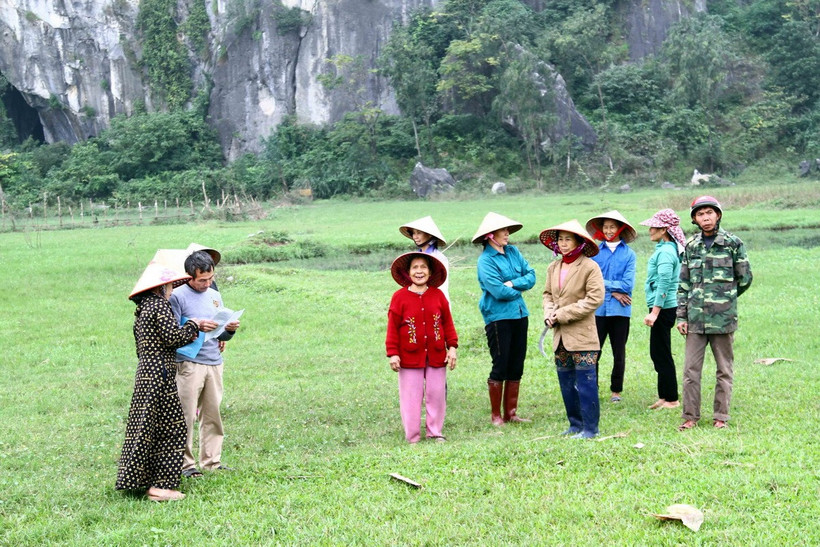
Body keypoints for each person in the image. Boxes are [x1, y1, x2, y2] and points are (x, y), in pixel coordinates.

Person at [116, 261, 205, 501]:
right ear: (161, 286)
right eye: (169, 285)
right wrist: (192, 325)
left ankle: (141, 480)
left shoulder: (144, 307)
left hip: (146, 372)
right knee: (172, 427)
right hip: (161, 373)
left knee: (146, 426)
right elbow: (172, 338)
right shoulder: (158, 305)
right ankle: (161, 487)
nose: (172, 289)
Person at [677, 196, 753, 431]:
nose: (706, 217)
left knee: (724, 369)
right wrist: (681, 316)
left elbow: (745, 278)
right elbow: (684, 283)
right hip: (696, 320)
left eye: (710, 212)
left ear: (718, 215)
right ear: (694, 219)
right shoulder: (691, 246)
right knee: (691, 370)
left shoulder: (732, 243)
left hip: (723, 319)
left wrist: (725, 299)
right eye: (700, 214)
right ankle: (690, 416)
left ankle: (721, 416)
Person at [170, 250, 241, 477]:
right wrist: (195, 326)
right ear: (190, 275)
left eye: (210, 278)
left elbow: (220, 333)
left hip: (214, 361)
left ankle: (212, 461)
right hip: (189, 363)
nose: (207, 283)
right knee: (186, 415)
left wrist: (228, 331)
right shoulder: (177, 297)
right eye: (202, 280)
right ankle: (185, 465)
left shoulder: (214, 294)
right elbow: (171, 334)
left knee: (212, 414)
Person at [540, 220, 605, 439]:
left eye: (568, 239)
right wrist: (549, 312)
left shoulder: (589, 266)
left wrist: (563, 314)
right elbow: (547, 294)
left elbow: (594, 298)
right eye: (560, 239)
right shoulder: (554, 267)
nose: (564, 243)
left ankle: (590, 428)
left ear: (579, 242)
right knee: (566, 383)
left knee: (586, 383)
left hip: (582, 335)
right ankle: (575, 425)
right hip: (560, 337)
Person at [386, 252, 458, 443]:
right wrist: (393, 354)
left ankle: (435, 432)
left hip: (436, 355)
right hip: (409, 356)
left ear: (430, 271)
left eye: (423, 267)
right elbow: (392, 328)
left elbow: (447, 324)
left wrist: (452, 347)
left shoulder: (438, 295)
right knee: (411, 398)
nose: (419, 271)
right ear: (408, 272)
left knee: (436, 395)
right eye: (415, 267)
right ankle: (413, 436)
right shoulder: (399, 297)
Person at [473, 212, 536, 426]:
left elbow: (532, 276)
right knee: (501, 362)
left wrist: (511, 283)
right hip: (498, 318)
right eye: (503, 230)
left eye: (507, 229)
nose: (507, 233)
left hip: (520, 314)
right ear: (490, 235)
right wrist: (518, 286)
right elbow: (498, 292)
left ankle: (511, 413)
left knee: (517, 363)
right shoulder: (485, 261)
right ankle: (496, 415)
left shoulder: (513, 251)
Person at [585, 211, 637, 403]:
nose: (608, 230)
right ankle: (592, 388)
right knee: (593, 351)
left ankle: (616, 391)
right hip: (597, 310)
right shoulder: (594, 253)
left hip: (620, 311)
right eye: (605, 227)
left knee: (619, 352)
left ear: (620, 229)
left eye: (612, 227)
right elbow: (590, 280)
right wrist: (614, 291)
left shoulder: (629, 254)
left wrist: (608, 287)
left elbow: (628, 285)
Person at [639, 209, 685, 410]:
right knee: (657, 352)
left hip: (664, 308)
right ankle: (664, 396)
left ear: (665, 229)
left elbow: (664, 282)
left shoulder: (666, 252)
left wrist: (655, 311)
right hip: (662, 307)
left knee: (661, 353)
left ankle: (672, 399)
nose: (650, 230)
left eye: (654, 227)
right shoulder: (664, 248)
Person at [400, 216, 451, 302]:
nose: (415, 237)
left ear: (429, 234)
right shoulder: (414, 257)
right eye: (413, 233)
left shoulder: (439, 258)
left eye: (419, 233)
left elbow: (442, 286)